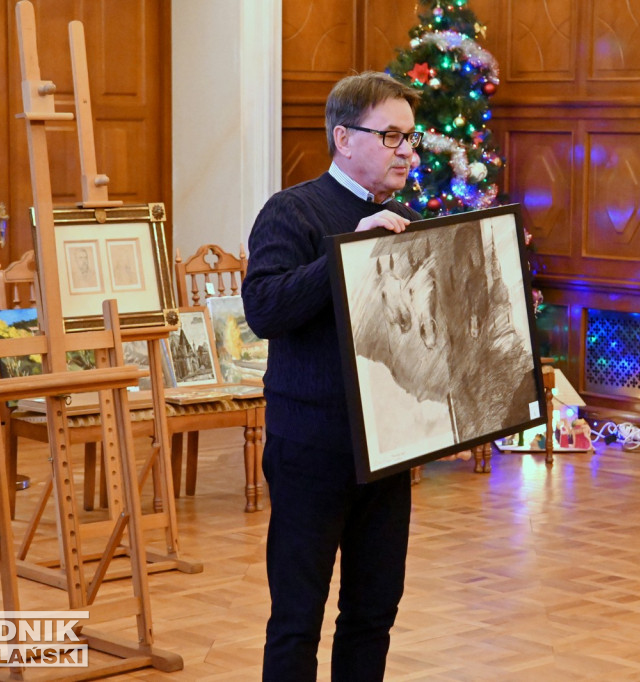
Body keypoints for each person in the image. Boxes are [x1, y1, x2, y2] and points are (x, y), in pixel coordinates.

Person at [241, 71, 424, 681]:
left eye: (411, 138)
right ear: (344, 138)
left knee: (373, 613)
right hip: (311, 447)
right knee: (297, 620)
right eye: (393, 136)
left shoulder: (405, 216)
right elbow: (265, 309)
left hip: (388, 447)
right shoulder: (291, 210)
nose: (409, 151)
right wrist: (349, 251)